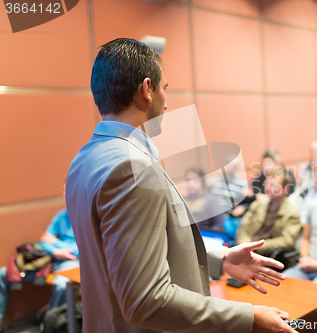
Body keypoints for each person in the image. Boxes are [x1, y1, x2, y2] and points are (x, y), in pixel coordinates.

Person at [66, 38, 296, 333]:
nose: (166, 102)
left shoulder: (85, 158)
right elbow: (147, 301)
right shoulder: (132, 167)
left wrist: (219, 258)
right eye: (164, 89)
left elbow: (124, 254)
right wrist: (249, 317)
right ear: (146, 90)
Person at [0, 184, 79, 329]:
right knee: (3, 274)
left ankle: (50, 325)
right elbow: (44, 242)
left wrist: (55, 242)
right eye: (63, 191)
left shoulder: (86, 216)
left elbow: (83, 249)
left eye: (69, 191)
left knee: (62, 284)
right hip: (52, 258)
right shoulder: (62, 215)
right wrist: (56, 251)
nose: (65, 195)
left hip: (72, 262)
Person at [236, 172, 301, 257]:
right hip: (248, 251)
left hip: (270, 256)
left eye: (273, 185)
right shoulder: (258, 204)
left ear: (286, 189)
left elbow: (287, 241)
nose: (267, 187)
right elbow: (243, 228)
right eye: (267, 184)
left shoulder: (293, 211)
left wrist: (255, 246)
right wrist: (246, 245)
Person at [184, 167, 224, 231]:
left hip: (205, 236)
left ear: (202, 182)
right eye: (188, 180)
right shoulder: (182, 200)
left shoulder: (212, 200)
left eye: (195, 180)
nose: (191, 184)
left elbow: (218, 225)